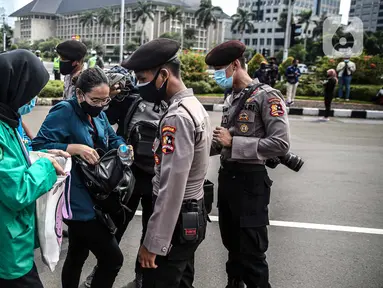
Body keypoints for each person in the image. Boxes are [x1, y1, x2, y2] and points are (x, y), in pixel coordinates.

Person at [124, 38, 211, 288]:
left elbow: (172, 188)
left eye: (142, 78)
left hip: (175, 222)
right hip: (191, 216)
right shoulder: (193, 106)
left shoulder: (177, 116)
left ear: (163, 74)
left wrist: (154, 244)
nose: (139, 86)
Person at [206, 40, 290, 288]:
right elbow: (224, 140)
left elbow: (280, 143)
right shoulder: (232, 97)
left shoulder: (267, 97)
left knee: (252, 256)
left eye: (219, 69)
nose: (216, 76)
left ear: (235, 65)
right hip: (229, 179)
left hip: (250, 183)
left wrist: (234, 143)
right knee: (233, 249)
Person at [32, 67, 126, 288]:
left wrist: (123, 147)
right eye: (95, 100)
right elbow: (38, 147)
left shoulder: (98, 112)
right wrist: (71, 148)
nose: (101, 105)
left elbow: (112, 138)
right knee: (113, 259)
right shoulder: (64, 111)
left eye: (105, 100)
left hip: (96, 193)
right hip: (76, 199)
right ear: (80, 94)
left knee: (77, 253)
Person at [0, 49, 68, 287]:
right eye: (31, 93)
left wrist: (42, 155)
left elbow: (12, 165)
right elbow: (16, 190)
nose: (33, 100)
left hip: (13, 236)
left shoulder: (7, 121)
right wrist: (46, 167)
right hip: (7, 247)